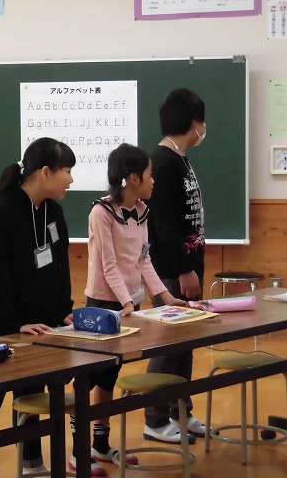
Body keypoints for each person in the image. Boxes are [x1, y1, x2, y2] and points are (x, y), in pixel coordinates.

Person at [0, 137, 75, 477]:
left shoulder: (53, 211)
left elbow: (60, 266)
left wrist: (63, 311)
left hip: (40, 327)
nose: (71, 179)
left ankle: (31, 463)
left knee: (32, 394)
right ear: (46, 172)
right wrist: (12, 324)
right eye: (67, 171)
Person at [80, 143, 188, 469]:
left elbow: (144, 260)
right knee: (88, 378)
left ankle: (100, 445)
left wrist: (165, 297)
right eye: (150, 175)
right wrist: (127, 301)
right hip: (103, 305)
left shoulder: (141, 211)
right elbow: (109, 265)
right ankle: (76, 453)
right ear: (132, 178)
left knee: (109, 377)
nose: (154, 180)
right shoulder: (101, 213)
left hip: (127, 305)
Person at [143, 88, 207, 443]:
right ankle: (154, 420)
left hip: (188, 267)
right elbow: (164, 225)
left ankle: (180, 411)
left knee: (185, 344)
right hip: (171, 272)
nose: (204, 129)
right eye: (202, 122)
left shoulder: (181, 158)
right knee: (168, 345)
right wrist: (184, 269)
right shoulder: (163, 162)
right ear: (193, 122)